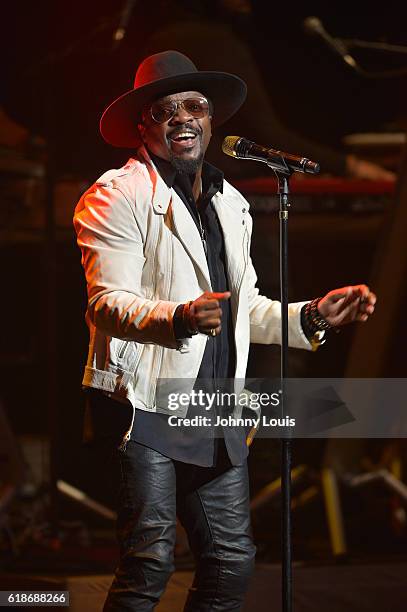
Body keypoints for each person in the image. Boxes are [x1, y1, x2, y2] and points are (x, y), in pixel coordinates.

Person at [73, 50, 376, 611]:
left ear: (212, 121)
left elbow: (246, 309)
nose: (183, 117)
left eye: (195, 107)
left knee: (231, 563)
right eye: (166, 110)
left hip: (213, 408)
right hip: (145, 406)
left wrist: (311, 316)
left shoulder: (231, 203)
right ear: (145, 125)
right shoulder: (116, 195)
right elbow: (106, 304)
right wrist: (181, 316)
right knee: (148, 562)